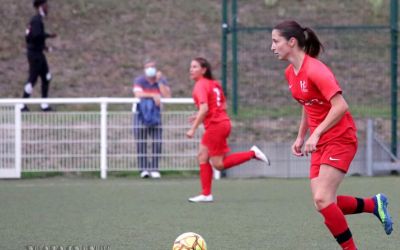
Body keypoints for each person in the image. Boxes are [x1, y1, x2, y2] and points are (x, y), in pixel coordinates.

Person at [271, 20, 393, 249]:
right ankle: (373, 204)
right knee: (324, 203)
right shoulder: (291, 73)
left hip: (340, 138)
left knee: (322, 199)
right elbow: (308, 104)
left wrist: (315, 134)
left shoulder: (316, 70)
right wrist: (300, 136)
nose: (272, 47)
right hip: (320, 141)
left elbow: (341, 106)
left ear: (292, 42)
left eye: (275, 41)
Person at [186, 57, 270, 203]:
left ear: (204, 70)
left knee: (218, 164)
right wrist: (198, 116)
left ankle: (252, 153)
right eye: (191, 67)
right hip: (222, 123)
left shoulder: (200, 85)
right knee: (203, 156)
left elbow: (205, 108)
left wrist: (192, 129)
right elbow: (220, 106)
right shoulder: (214, 84)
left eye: (194, 67)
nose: (191, 69)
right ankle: (206, 194)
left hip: (216, 126)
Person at [133, 59, 171, 179]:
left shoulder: (161, 80)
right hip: (140, 113)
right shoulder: (139, 80)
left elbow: (167, 95)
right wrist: (153, 95)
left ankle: (154, 168)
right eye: (148, 67)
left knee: (157, 141)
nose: (150, 69)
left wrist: (159, 82)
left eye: (152, 67)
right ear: (144, 69)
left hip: (156, 113)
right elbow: (138, 94)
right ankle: (143, 169)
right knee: (141, 141)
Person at [20, 0, 57, 112]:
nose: (47, 8)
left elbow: (31, 38)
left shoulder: (36, 20)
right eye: (46, 6)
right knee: (33, 79)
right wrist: (48, 36)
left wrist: (44, 47)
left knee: (46, 77)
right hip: (35, 55)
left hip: (37, 53)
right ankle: (22, 105)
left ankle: (44, 105)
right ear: (40, 7)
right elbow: (36, 36)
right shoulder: (36, 21)